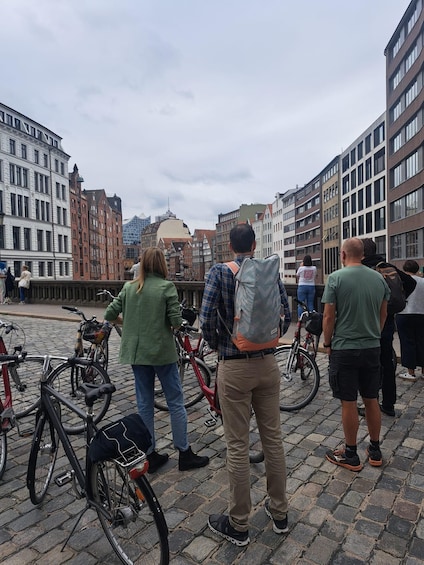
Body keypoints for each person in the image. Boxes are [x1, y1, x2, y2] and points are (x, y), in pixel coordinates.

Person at [200, 223, 291, 546]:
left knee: (238, 444)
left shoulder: (219, 272)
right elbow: (287, 313)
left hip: (234, 367)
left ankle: (238, 524)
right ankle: (279, 513)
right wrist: (267, 340)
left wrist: (221, 344)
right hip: (268, 365)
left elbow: (206, 318)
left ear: (229, 244)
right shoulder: (268, 271)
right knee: (273, 440)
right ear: (254, 244)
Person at [104, 247, 209, 473]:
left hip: (137, 353)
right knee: (175, 401)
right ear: (161, 264)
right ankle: (184, 452)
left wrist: (128, 323)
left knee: (144, 403)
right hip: (161, 353)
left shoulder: (129, 287)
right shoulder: (166, 287)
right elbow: (175, 321)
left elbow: (109, 314)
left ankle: (149, 454)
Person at [322, 237, 390, 471]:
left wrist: (328, 343)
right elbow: (383, 314)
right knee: (372, 399)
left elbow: (329, 317)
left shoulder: (336, 278)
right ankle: (375, 449)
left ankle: (351, 454)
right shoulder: (379, 279)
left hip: (345, 348)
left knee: (348, 401)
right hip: (372, 347)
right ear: (362, 255)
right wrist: (374, 335)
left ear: (342, 255)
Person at [361, 238, 416, 416]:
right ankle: (389, 404)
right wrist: (398, 297)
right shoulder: (386, 265)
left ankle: (371, 403)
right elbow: (411, 283)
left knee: (370, 365)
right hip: (388, 321)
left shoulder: (362, 268)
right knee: (387, 362)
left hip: (368, 322)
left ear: (362, 252)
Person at [396, 260, 424, 381]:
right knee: (422, 342)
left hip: (404, 313)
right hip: (421, 313)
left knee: (407, 342)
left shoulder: (402, 281)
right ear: (417, 269)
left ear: (404, 269)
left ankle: (410, 372)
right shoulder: (423, 281)